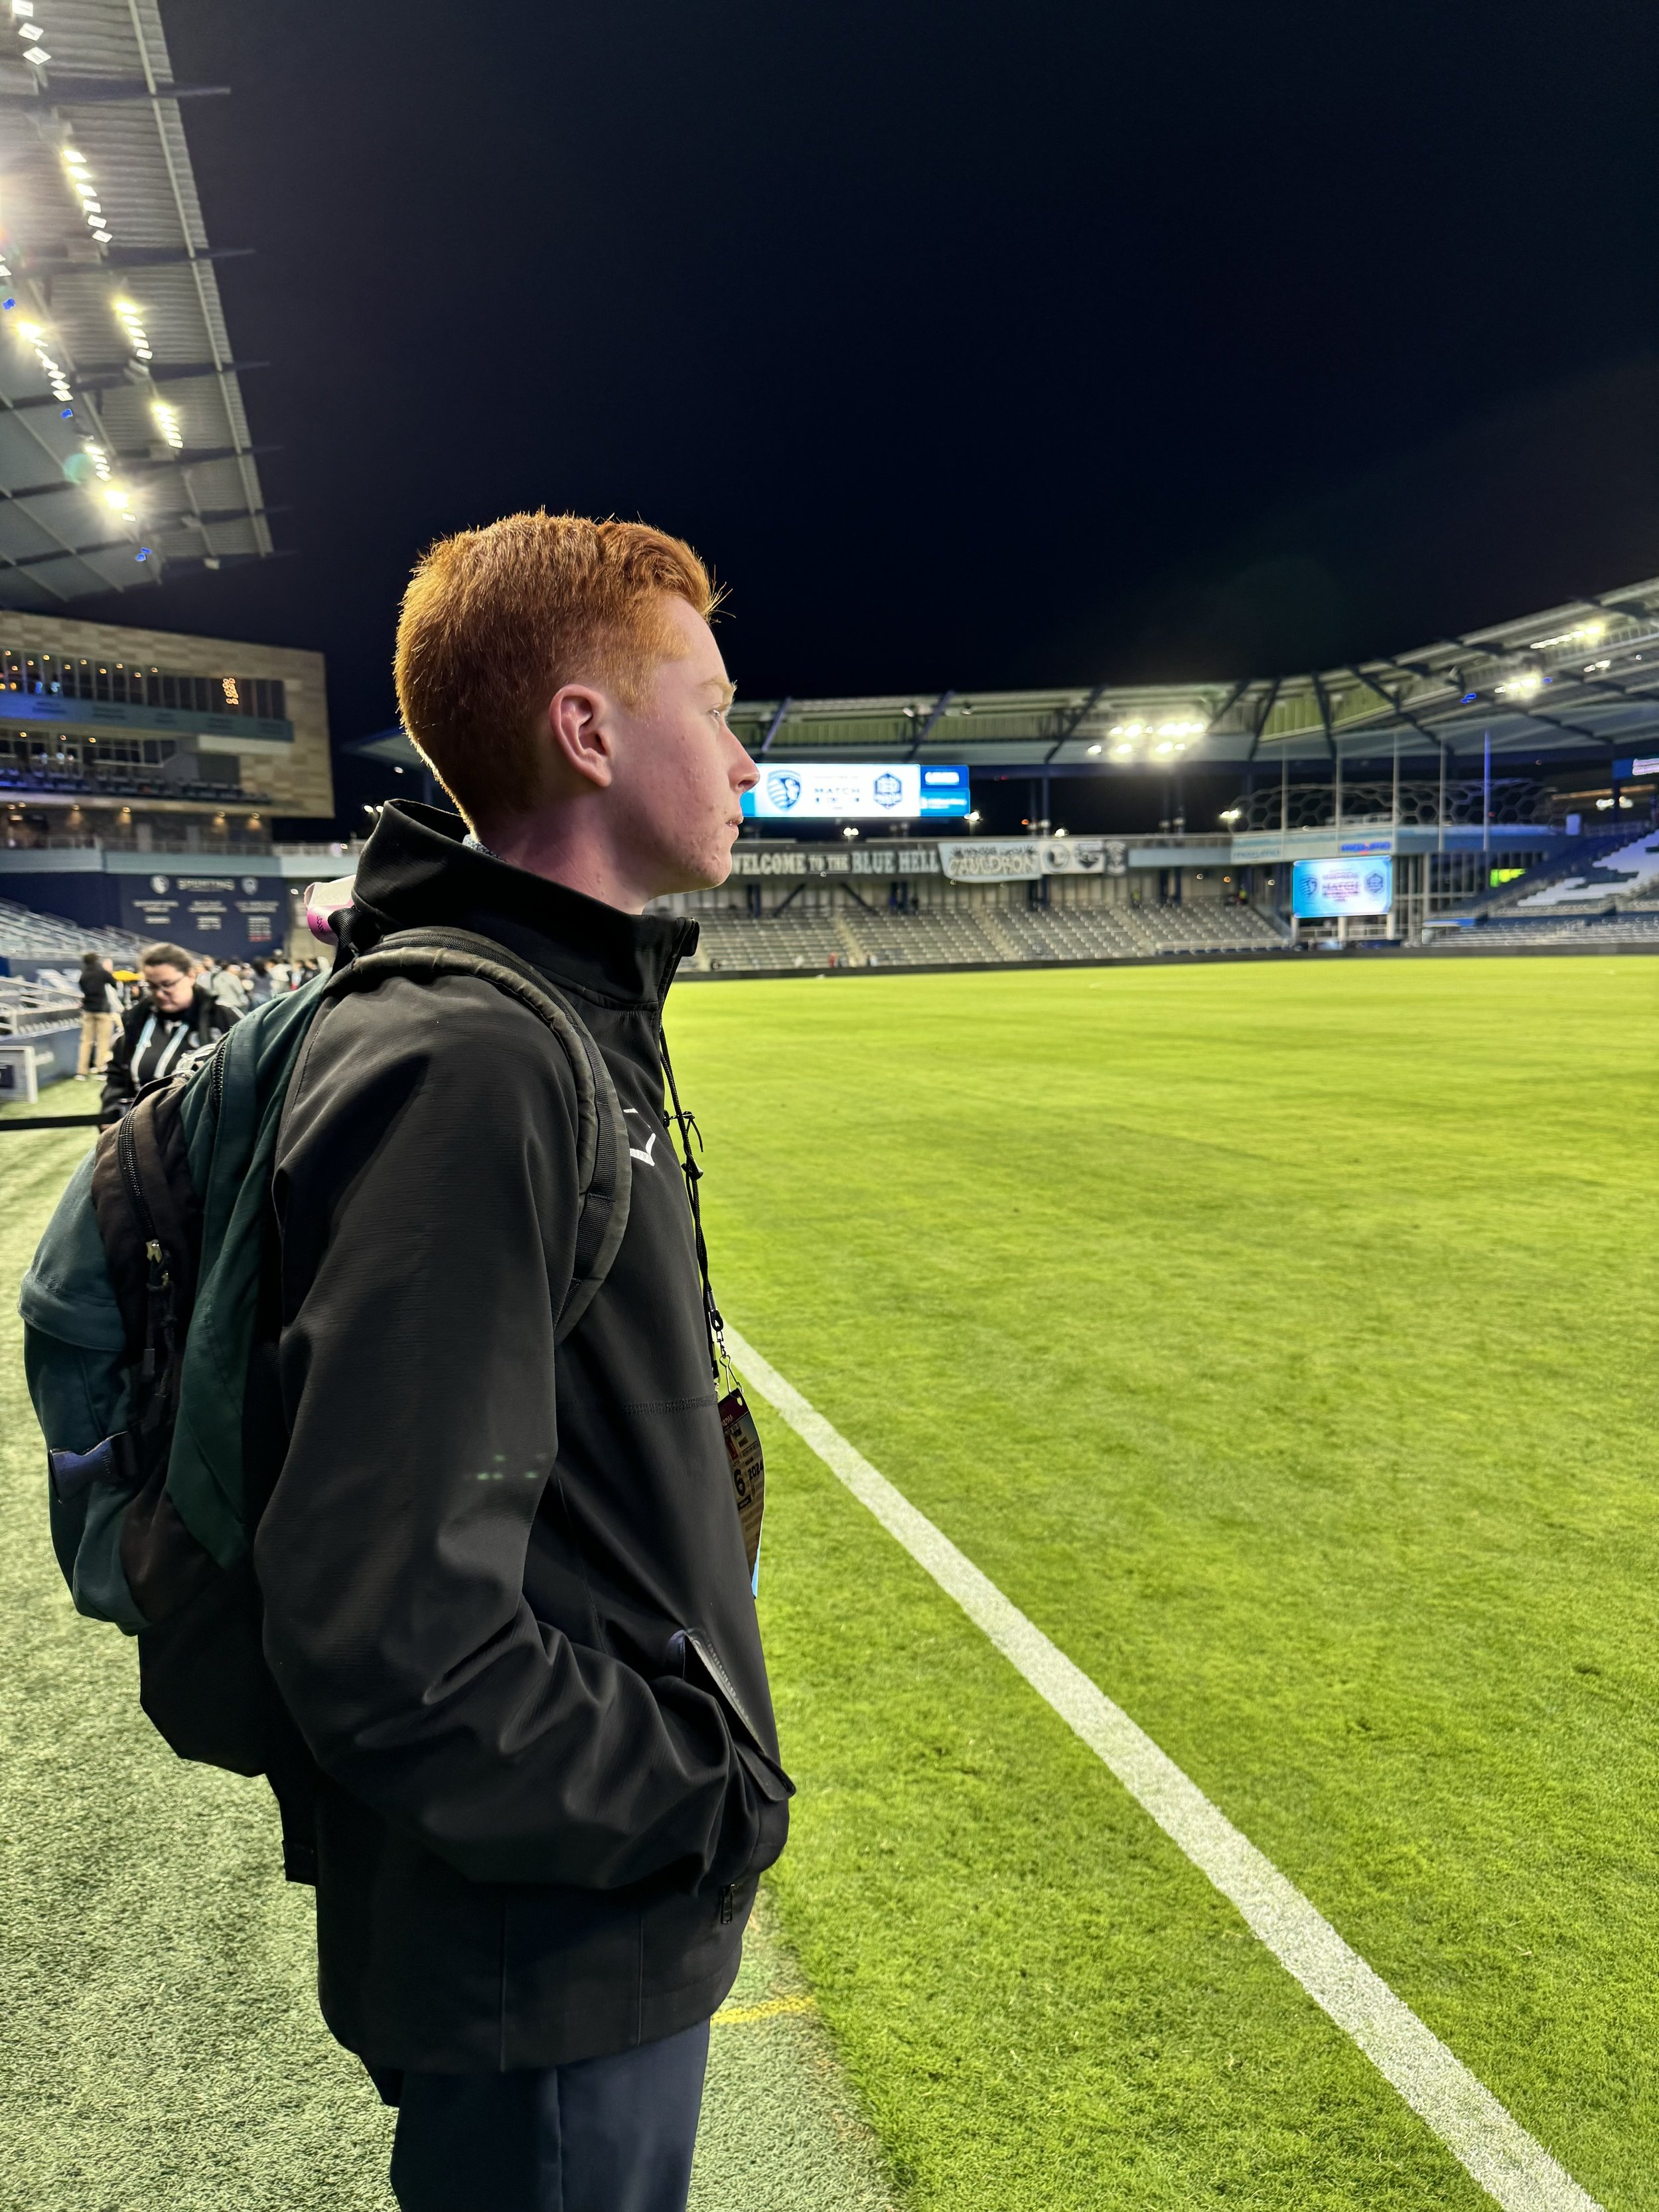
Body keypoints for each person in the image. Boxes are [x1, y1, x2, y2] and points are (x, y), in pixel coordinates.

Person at [255, 513, 787, 2212]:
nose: (746, 759)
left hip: (566, 1918)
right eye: (712, 706)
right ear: (588, 731)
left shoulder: (553, 1019)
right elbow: (392, 1629)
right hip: (544, 1943)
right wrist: (682, 1801)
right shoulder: (478, 1057)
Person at [99, 942, 238, 1123]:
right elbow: (117, 1075)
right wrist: (111, 1111)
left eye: (167, 984)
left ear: (190, 975)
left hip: (206, 1130)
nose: (160, 993)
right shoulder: (136, 1019)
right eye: (152, 986)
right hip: (145, 1131)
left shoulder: (223, 1017)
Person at [74, 952, 119, 1079]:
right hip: (102, 1011)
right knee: (103, 1041)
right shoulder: (102, 972)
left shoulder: (83, 975)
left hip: (88, 1011)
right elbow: (114, 983)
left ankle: (81, 1072)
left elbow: (83, 988)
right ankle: (100, 1069)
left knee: (86, 1042)